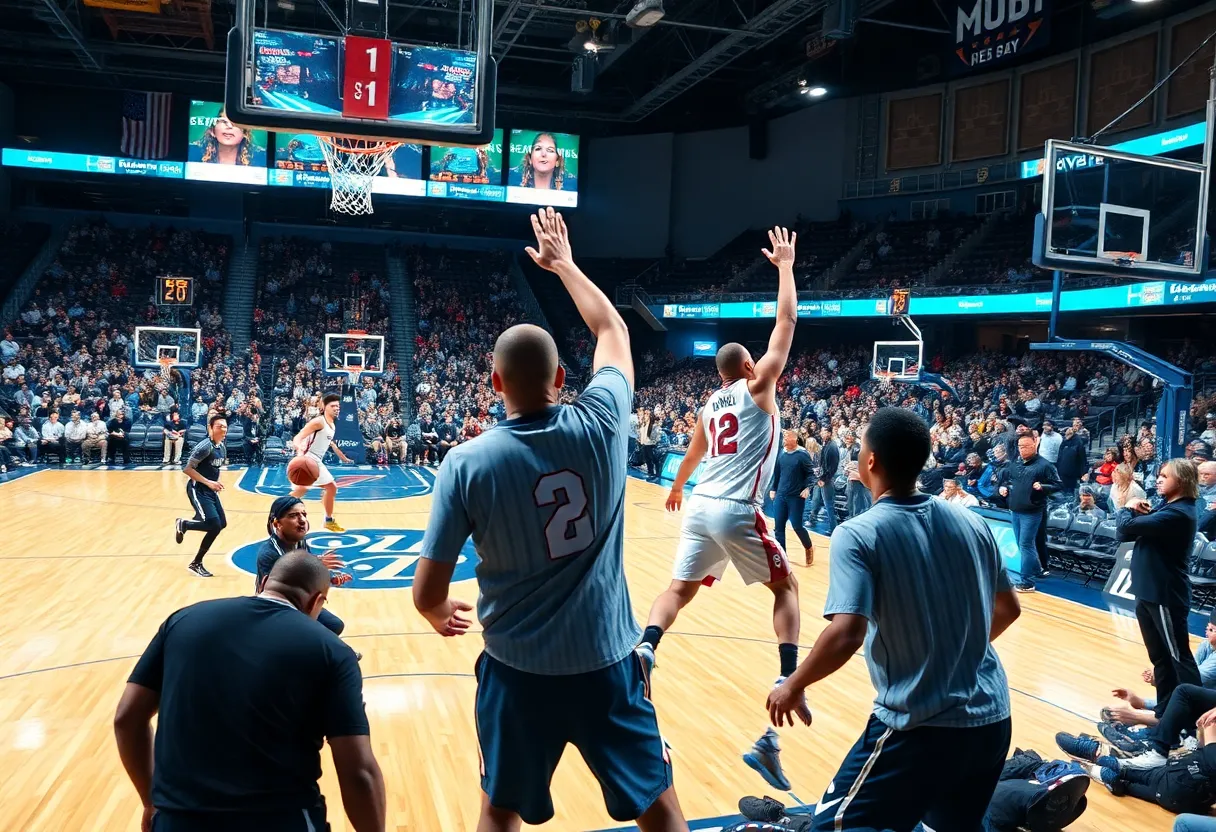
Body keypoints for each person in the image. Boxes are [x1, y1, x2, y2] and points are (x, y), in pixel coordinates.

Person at [413, 208, 688, 832]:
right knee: (658, 806)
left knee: (500, 812)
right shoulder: (602, 423)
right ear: (562, 378)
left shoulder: (465, 462)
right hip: (607, 664)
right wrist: (562, 264)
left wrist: (434, 611)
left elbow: (427, 593)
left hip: (517, 673)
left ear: (493, 382)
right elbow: (612, 327)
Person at [768, 407, 1019, 832]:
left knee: (831, 825)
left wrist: (793, 684)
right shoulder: (972, 522)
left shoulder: (858, 532)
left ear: (870, 461)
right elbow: (1008, 608)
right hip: (992, 718)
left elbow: (847, 631)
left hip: (919, 725)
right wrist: (957, 648)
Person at [639, 226, 806, 791]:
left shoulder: (710, 403)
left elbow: (692, 451)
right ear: (750, 368)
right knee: (786, 590)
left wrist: (676, 486)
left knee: (678, 590)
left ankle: (646, 647)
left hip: (701, 504)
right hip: (737, 507)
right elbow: (786, 324)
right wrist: (784, 266)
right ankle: (790, 676)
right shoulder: (760, 390)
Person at [113, 552, 385, 831]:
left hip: (179, 821)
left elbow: (126, 719)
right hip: (282, 820)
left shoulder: (182, 621)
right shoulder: (332, 650)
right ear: (317, 601)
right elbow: (359, 774)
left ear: (265, 581)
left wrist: (151, 801)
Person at [1117, 458, 1202, 719]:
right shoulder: (1167, 509)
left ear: (1183, 481)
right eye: (1159, 475)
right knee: (1161, 658)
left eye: (1165, 476)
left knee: (1179, 658)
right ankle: (1165, 713)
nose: (1159, 479)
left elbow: (1123, 528)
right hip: (1148, 593)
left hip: (1164, 594)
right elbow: (1127, 534)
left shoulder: (1178, 513)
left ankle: (1197, 717)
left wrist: (1128, 506)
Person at [254, 496, 351, 636]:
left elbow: (312, 566)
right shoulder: (269, 553)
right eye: (293, 515)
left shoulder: (299, 542)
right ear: (277, 524)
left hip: (299, 600)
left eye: (304, 514)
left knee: (334, 625)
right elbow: (276, 592)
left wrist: (331, 578)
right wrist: (314, 567)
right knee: (316, 633)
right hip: (276, 608)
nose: (302, 520)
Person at [999, 433, 1062, 592]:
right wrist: (1003, 488)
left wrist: (1043, 487)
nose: (1022, 449)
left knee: (1026, 544)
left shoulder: (1044, 465)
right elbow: (1006, 480)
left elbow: (1058, 485)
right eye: (1020, 446)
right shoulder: (1015, 464)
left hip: (1032, 511)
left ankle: (1027, 582)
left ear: (1035, 445)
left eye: (1026, 446)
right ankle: (1037, 570)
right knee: (1022, 544)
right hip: (1015, 510)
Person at [174, 414, 229, 578]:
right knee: (214, 525)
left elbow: (214, 468)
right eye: (220, 426)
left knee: (221, 524)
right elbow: (187, 469)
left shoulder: (222, 447)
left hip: (210, 489)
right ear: (210, 428)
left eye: (225, 426)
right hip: (197, 488)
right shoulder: (204, 446)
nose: (224, 429)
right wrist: (208, 482)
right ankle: (196, 563)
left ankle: (185, 525)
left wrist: (215, 483)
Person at [290, 393, 354, 533]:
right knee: (302, 489)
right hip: (307, 459)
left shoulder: (332, 425)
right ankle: (279, 508)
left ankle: (328, 521)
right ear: (324, 407)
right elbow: (298, 437)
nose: (337, 408)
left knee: (331, 487)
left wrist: (343, 458)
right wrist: (299, 449)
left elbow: (330, 443)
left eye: (338, 406)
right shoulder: (318, 421)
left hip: (316, 460)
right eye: (333, 406)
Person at [769, 429, 815, 566]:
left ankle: (809, 547)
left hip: (796, 496)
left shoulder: (802, 454)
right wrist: (773, 488)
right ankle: (783, 558)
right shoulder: (782, 453)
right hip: (781, 495)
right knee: (778, 528)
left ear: (794, 439)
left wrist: (807, 488)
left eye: (787, 436)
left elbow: (811, 474)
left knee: (797, 525)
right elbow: (777, 473)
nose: (784, 439)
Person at [807, 426, 839, 534]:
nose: (821, 433)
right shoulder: (827, 445)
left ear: (829, 433)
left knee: (829, 505)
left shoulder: (832, 446)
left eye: (824, 431)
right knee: (820, 501)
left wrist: (824, 479)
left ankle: (834, 528)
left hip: (827, 480)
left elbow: (832, 467)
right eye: (821, 431)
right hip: (823, 478)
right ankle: (814, 519)